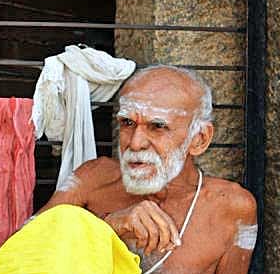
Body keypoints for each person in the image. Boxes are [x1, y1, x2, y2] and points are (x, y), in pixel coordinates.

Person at [37, 65, 258, 273]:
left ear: (199, 139)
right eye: (128, 123)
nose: (135, 143)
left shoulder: (234, 208)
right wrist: (109, 227)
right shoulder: (92, 179)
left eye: (158, 126)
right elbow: (18, 251)